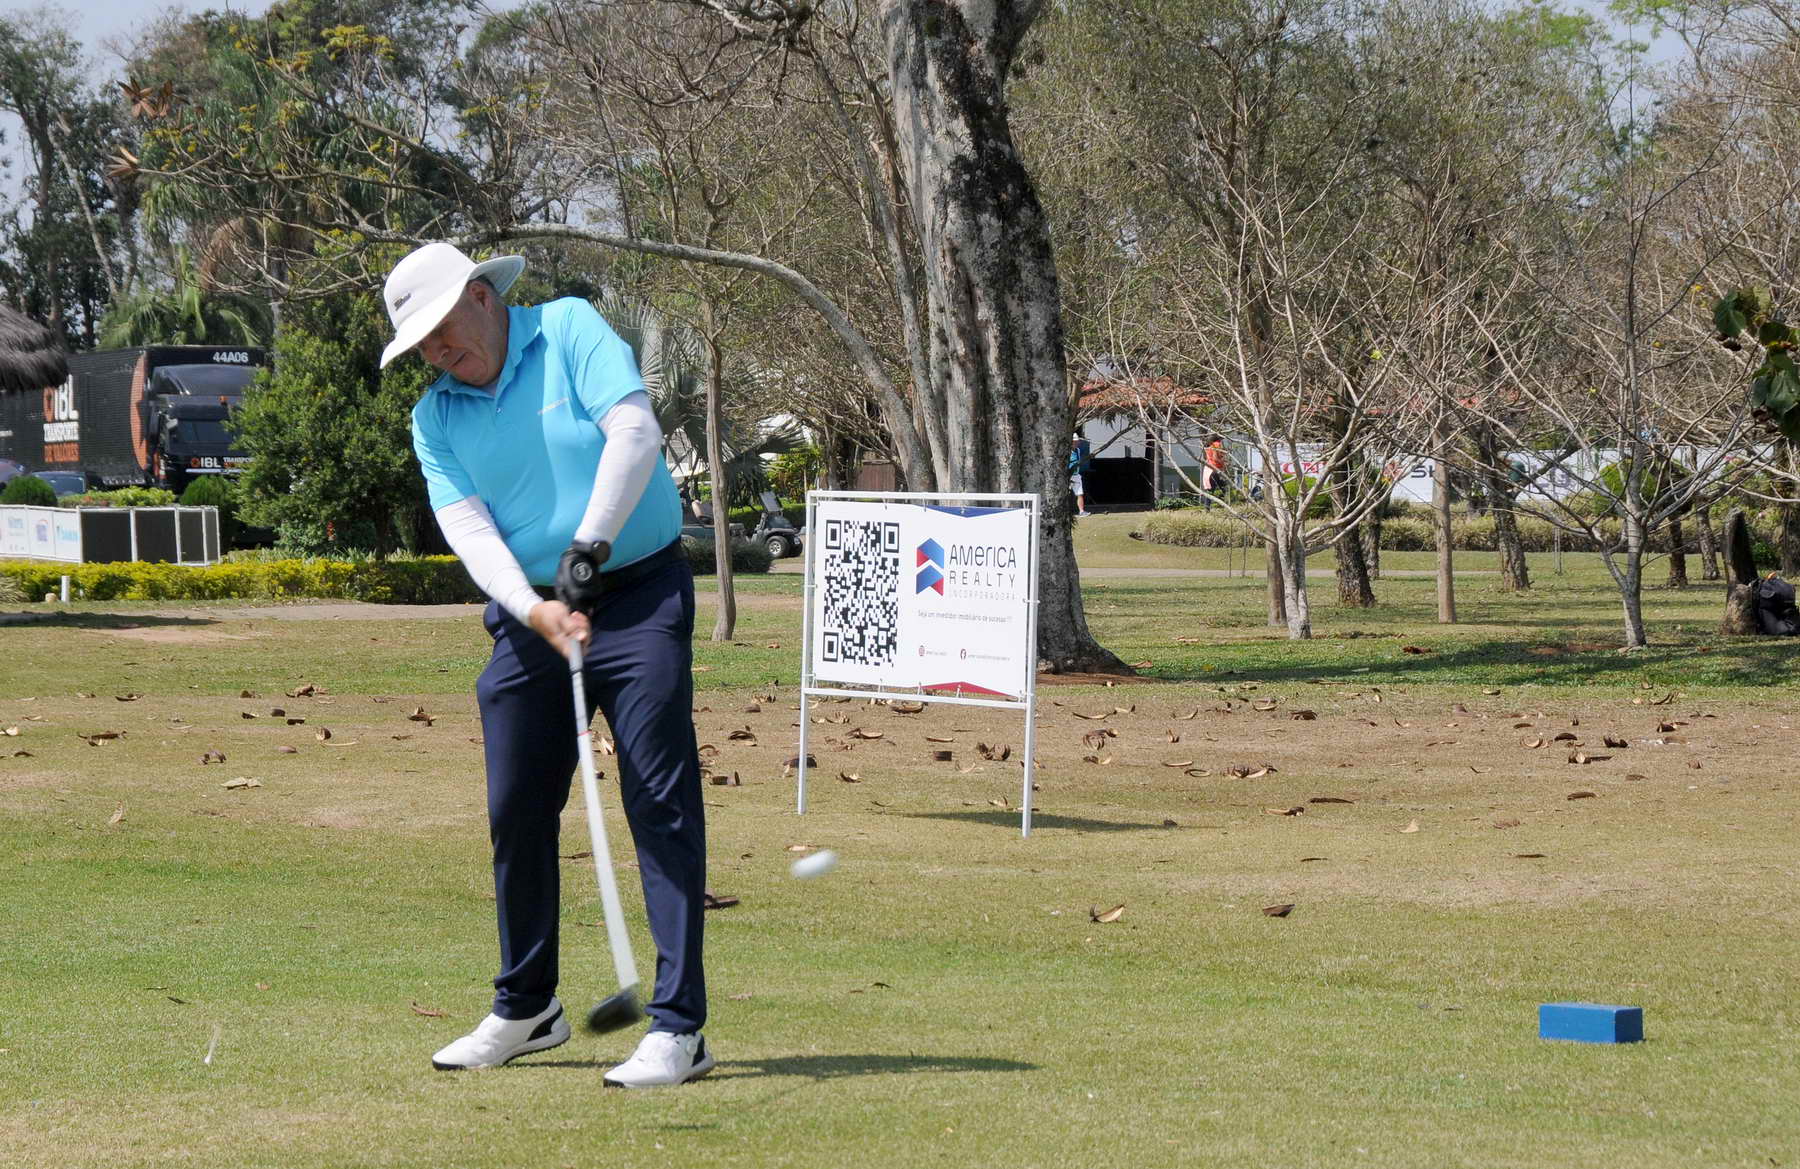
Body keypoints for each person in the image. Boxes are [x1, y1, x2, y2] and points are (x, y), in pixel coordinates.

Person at [381, 242, 712, 1087]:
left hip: (638, 594)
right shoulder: (435, 417)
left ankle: (679, 1026)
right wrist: (535, 610)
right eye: (421, 344)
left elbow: (634, 431)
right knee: (517, 804)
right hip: (533, 610)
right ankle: (528, 1007)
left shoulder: (568, 329)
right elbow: (469, 529)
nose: (436, 352)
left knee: (658, 798)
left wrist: (588, 547)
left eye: (442, 330)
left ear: (481, 296)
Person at [1068, 435, 1091, 517]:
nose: (1077, 443)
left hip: (1076, 475)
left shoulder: (1078, 450)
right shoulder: (1067, 451)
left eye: (1077, 441)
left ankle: (1081, 511)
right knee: (1066, 494)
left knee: (1080, 493)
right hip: (1068, 475)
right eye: (1075, 441)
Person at [1202, 435, 1228, 504]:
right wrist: (1224, 462)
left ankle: (1207, 507)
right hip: (1215, 469)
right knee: (1223, 487)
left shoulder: (1208, 447)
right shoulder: (1216, 444)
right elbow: (1215, 458)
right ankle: (1222, 502)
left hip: (1208, 469)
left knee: (1211, 490)